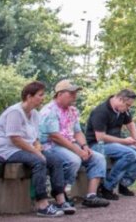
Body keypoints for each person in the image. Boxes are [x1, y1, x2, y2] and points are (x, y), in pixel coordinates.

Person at [0, 80, 74, 217]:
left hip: (25, 149)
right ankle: (42, 204)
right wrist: (36, 152)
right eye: (40, 95)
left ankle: (60, 199)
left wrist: (38, 147)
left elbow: (34, 137)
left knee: (56, 160)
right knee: (39, 161)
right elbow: (15, 139)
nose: (43, 98)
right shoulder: (15, 112)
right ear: (29, 96)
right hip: (6, 151)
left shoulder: (34, 114)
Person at [38, 80, 111, 209]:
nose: (74, 96)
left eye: (75, 93)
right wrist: (78, 151)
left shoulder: (72, 110)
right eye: (71, 93)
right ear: (59, 94)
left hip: (70, 145)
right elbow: (55, 136)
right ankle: (61, 194)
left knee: (98, 158)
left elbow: (77, 132)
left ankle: (91, 196)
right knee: (74, 160)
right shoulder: (50, 110)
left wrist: (85, 147)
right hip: (51, 146)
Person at [86, 88, 136, 200]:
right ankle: (107, 188)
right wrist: (124, 141)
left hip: (116, 144)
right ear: (120, 99)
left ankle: (124, 183)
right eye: (127, 105)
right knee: (130, 154)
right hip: (97, 145)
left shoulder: (123, 110)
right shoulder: (101, 111)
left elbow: (131, 125)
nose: (128, 108)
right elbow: (100, 137)